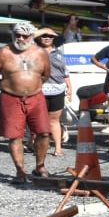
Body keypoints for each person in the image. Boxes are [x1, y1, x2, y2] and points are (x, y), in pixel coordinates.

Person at [0, 22, 52, 182]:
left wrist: (30, 86)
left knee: (43, 132)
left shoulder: (40, 53)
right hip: (11, 98)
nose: (21, 38)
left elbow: (45, 75)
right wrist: (7, 86)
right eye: (18, 35)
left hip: (36, 97)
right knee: (15, 136)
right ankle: (20, 171)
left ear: (31, 37)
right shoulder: (3, 53)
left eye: (25, 35)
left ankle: (40, 166)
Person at [35, 27, 71, 156]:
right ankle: (38, 147)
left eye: (50, 36)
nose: (47, 38)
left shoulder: (59, 52)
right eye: (44, 35)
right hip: (40, 90)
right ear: (39, 37)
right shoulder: (34, 51)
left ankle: (58, 148)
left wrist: (69, 88)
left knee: (54, 120)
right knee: (39, 120)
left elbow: (65, 72)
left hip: (57, 89)